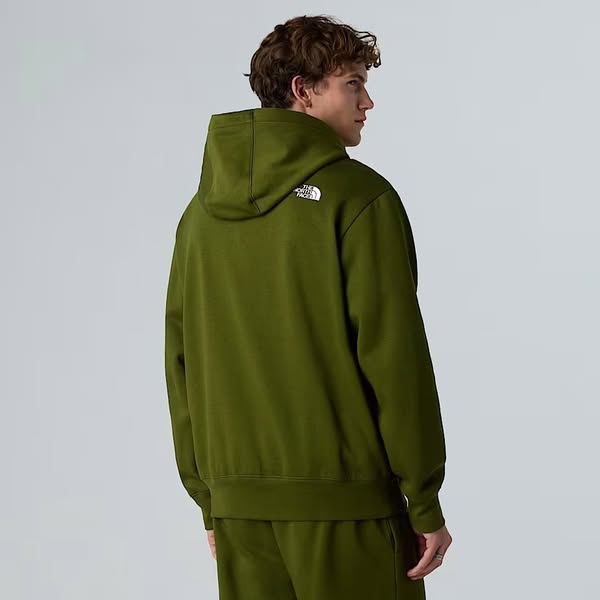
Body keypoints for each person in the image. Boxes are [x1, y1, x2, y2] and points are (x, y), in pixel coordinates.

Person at [164, 14, 452, 599]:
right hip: (348, 510)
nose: (367, 102)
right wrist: (423, 499)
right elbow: (394, 360)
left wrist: (211, 499)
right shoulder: (360, 198)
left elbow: (181, 363)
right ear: (304, 90)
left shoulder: (199, 217)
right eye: (352, 84)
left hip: (240, 511)